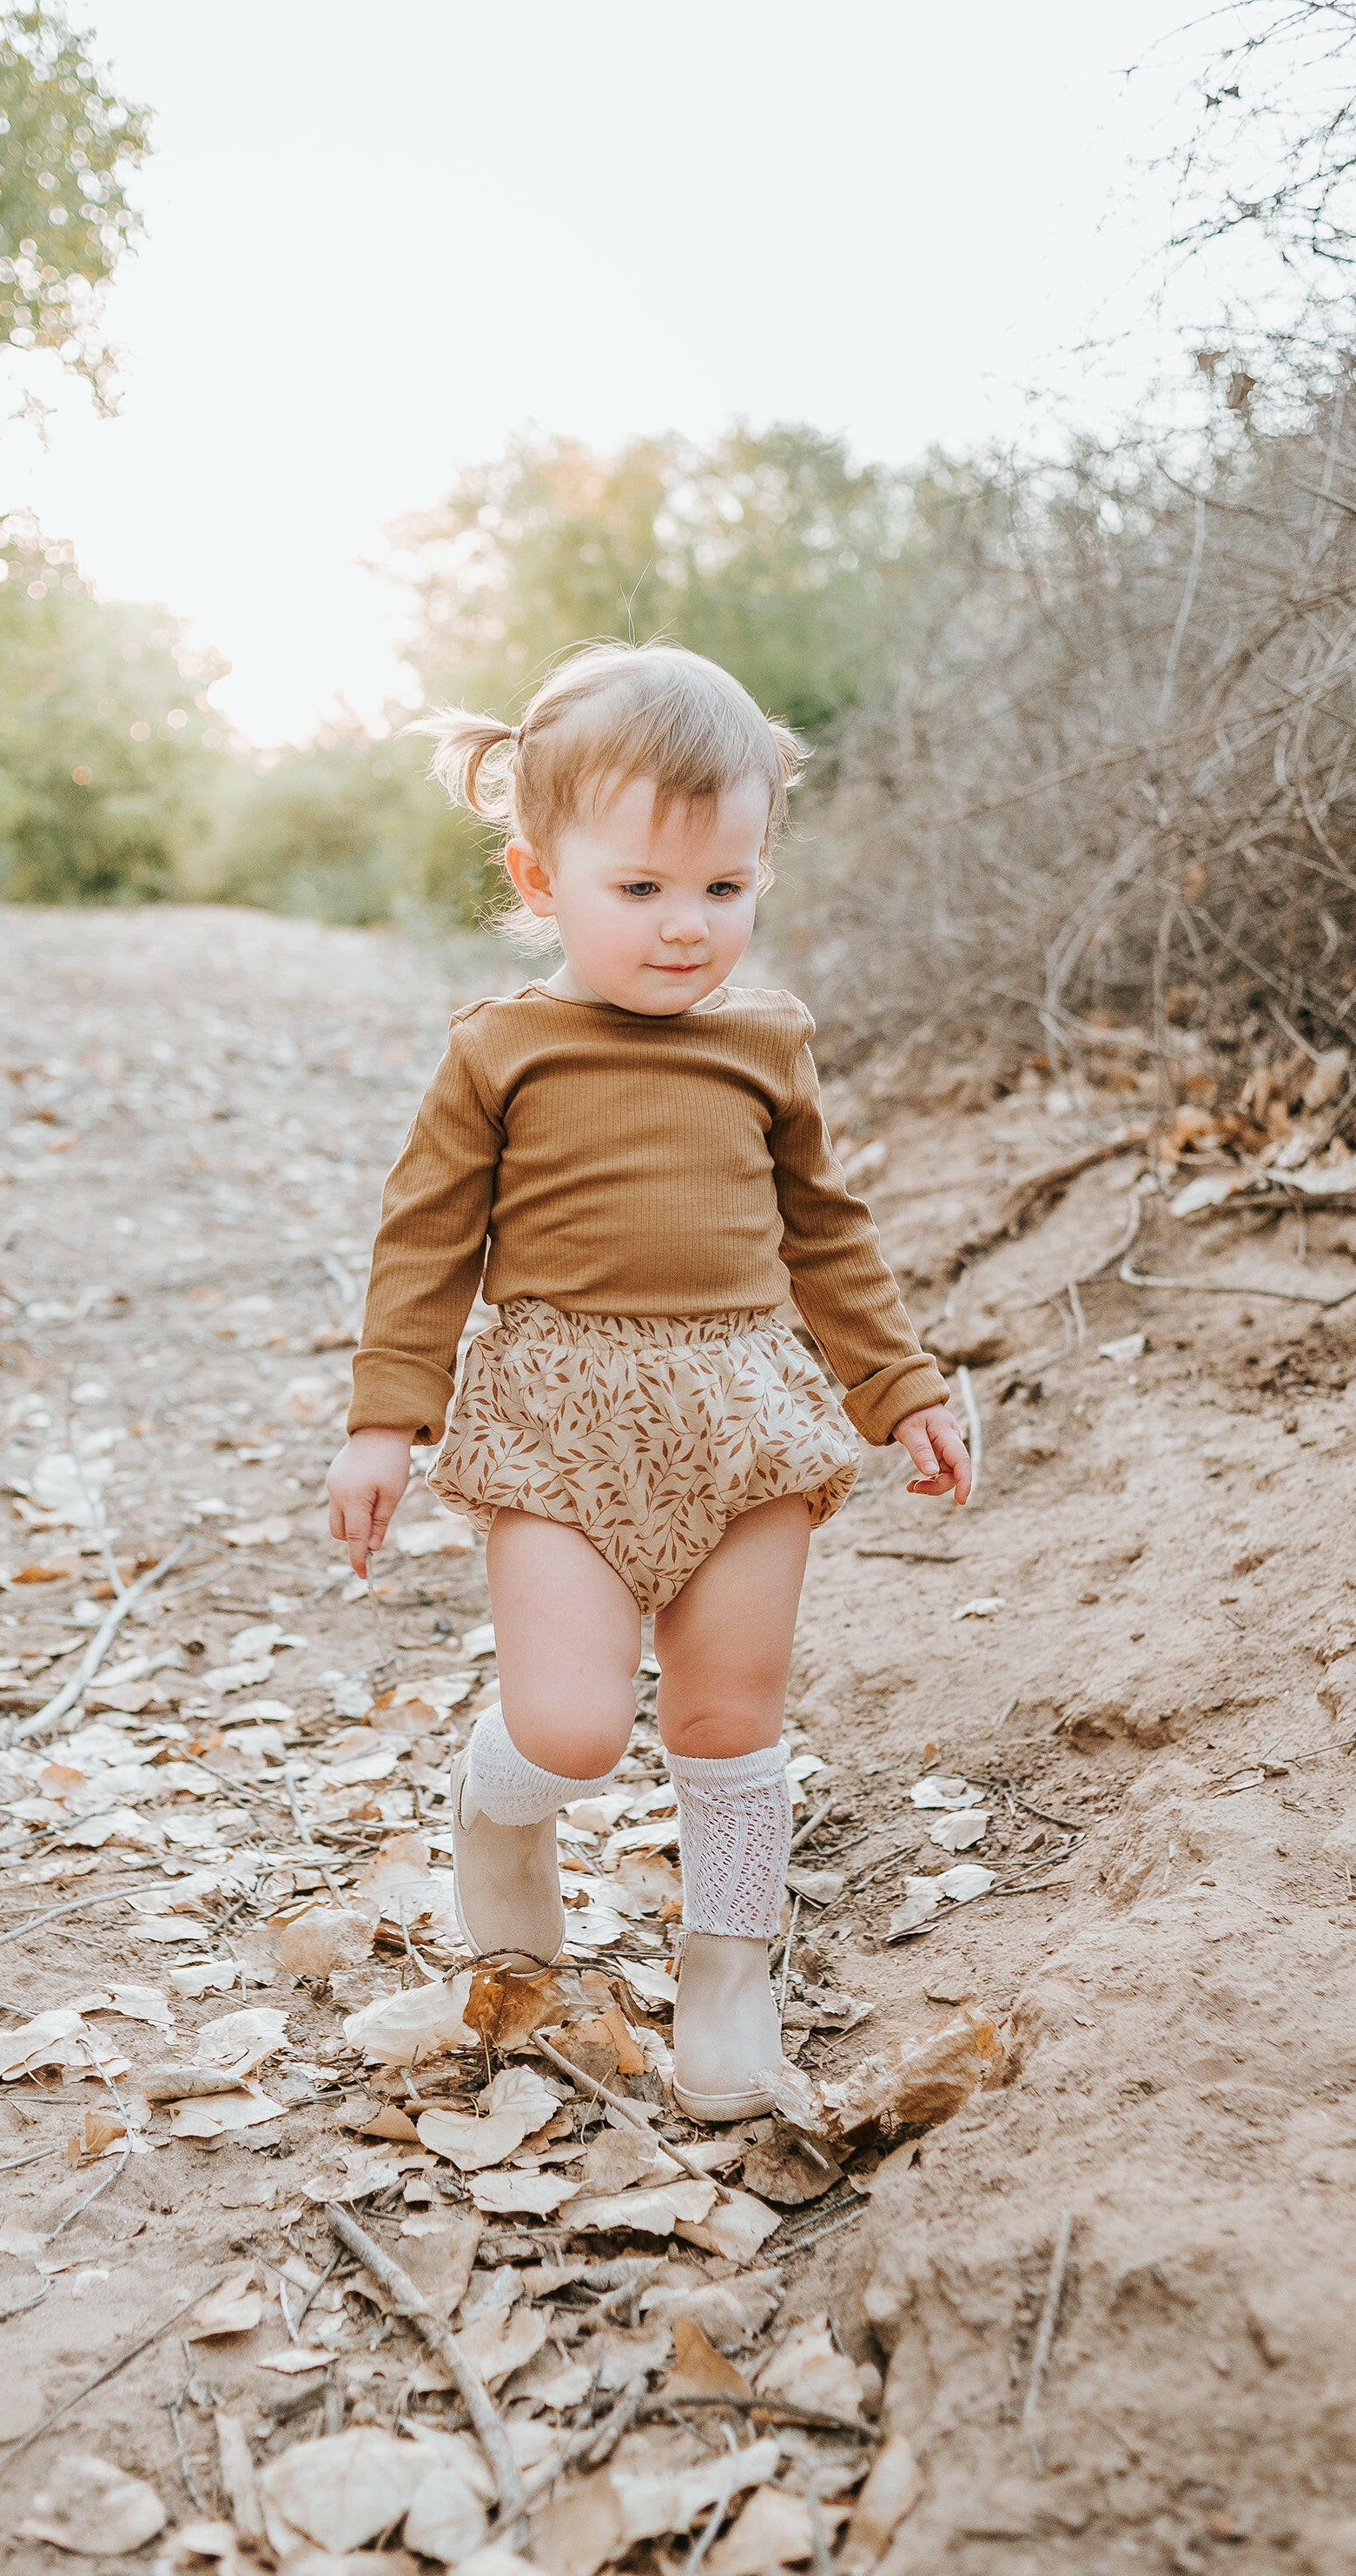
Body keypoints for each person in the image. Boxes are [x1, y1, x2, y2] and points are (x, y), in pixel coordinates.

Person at [327, 642, 970, 2119]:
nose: (689, 930)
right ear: (540, 876)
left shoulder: (767, 1041)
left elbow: (828, 1233)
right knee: (574, 1725)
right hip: (557, 1416)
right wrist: (383, 1418)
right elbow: (424, 1240)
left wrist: (904, 1388)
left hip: (746, 1412)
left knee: (729, 1720)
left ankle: (729, 1968)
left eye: (726, 890)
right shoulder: (504, 1049)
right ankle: (500, 1815)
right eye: (642, 891)